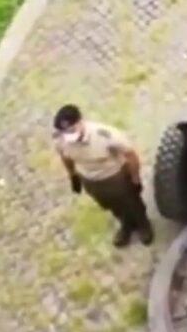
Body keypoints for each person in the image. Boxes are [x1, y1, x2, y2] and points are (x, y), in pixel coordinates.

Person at [53, 104, 154, 248]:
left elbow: (130, 154)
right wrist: (73, 175)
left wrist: (135, 178)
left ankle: (143, 225)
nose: (69, 135)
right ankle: (126, 224)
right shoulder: (62, 141)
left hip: (115, 177)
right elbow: (65, 157)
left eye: (72, 130)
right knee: (111, 205)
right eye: (65, 132)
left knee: (132, 203)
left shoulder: (104, 135)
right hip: (90, 180)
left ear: (80, 122)